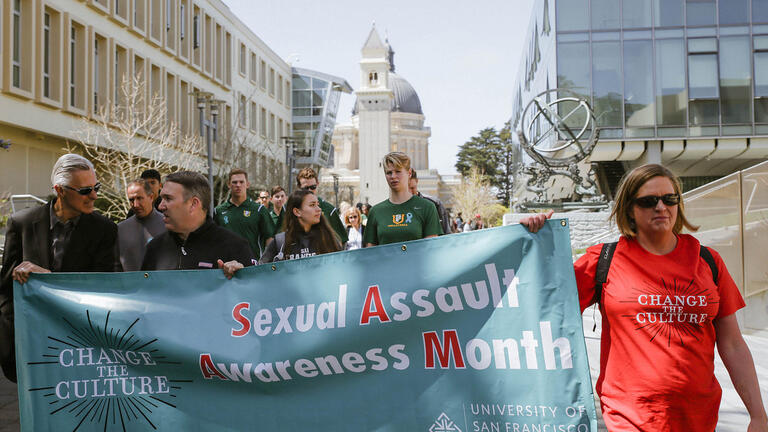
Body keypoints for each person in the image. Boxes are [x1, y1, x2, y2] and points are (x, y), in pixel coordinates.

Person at [521, 164, 768, 432]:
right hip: (629, 417)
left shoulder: (708, 261)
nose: (661, 207)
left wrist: (758, 415)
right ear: (629, 209)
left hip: (699, 417)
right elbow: (542, 301)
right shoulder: (603, 260)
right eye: (649, 201)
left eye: (669, 199)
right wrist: (532, 241)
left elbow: (732, 344)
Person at [0, 153, 117, 382]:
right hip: (31, 344)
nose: (94, 195)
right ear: (60, 190)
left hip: (81, 345)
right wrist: (14, 336)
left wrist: (49, 278)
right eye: (85, 190)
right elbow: (5, 287)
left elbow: (107, 285)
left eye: (96, 187)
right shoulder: (21, 223)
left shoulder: (106, 229)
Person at [142, 171, 254, 276]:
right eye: (162, 198)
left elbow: (253, 292)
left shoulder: (234, 247)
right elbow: (144, 293)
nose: (160, 206)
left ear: (193, 204)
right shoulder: (155, 248)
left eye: (168, 198)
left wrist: (241, 277)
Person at [363, 152, 442, 246]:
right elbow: (370, 252)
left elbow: (431, 248)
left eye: (398, 171)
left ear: (409, 173)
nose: (393, 176)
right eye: (389, 172)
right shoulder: (376, 212)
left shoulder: (427, 207)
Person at [259, 189, 342, 263]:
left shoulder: (328, 238)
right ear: (297, 212)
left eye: (318, 204)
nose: (319, 209)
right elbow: (261, 272)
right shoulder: (280, 241)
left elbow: (342, 269)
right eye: (312, 205)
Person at [213, 169, 274, 257]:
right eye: (234, 182)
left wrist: (267, 261)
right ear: (229, 184)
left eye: (241, 182)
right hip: (226, 266)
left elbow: (270, 239)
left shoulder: (259, 210)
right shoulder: (218, 211)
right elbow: (215, 240)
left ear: (247, 184)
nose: (238, 185)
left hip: (252, 266)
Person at [116, 179, 166, 271]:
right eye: (131, 200)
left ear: (151, 197)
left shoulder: (168, 225)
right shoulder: (120, 229)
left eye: (139, 198)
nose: (135, 204)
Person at [295, 167, 348, 245]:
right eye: (306, 188)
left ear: (317, 184)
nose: (309, 191)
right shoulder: (290, 209)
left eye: (313, 187)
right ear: (299, 187)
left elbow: (341, 241)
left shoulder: (329, 210)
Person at [408, 169, 451, 235]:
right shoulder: (396, 207)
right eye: (406, 189)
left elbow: (446, 233)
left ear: (417, 181)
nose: (410, 192)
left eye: (412, 188)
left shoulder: (435, 203)